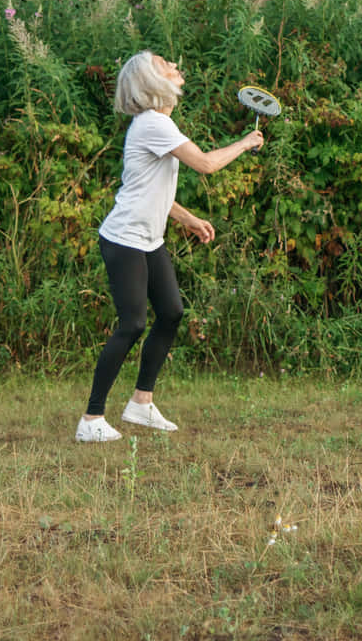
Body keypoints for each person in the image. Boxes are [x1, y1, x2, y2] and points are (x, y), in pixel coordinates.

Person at [76, 51, 263, 443]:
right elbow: (208, 165)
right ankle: (91, 418)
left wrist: (188, 219)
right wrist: (245, 143)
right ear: (151, 81)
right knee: (133, 324)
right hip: (124, 239)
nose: (178, 68)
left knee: (172, 313)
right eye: (167, 66)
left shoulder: (159, 123)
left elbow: (150, 189)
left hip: (149, 239)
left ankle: (140, 404)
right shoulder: (152, 125)